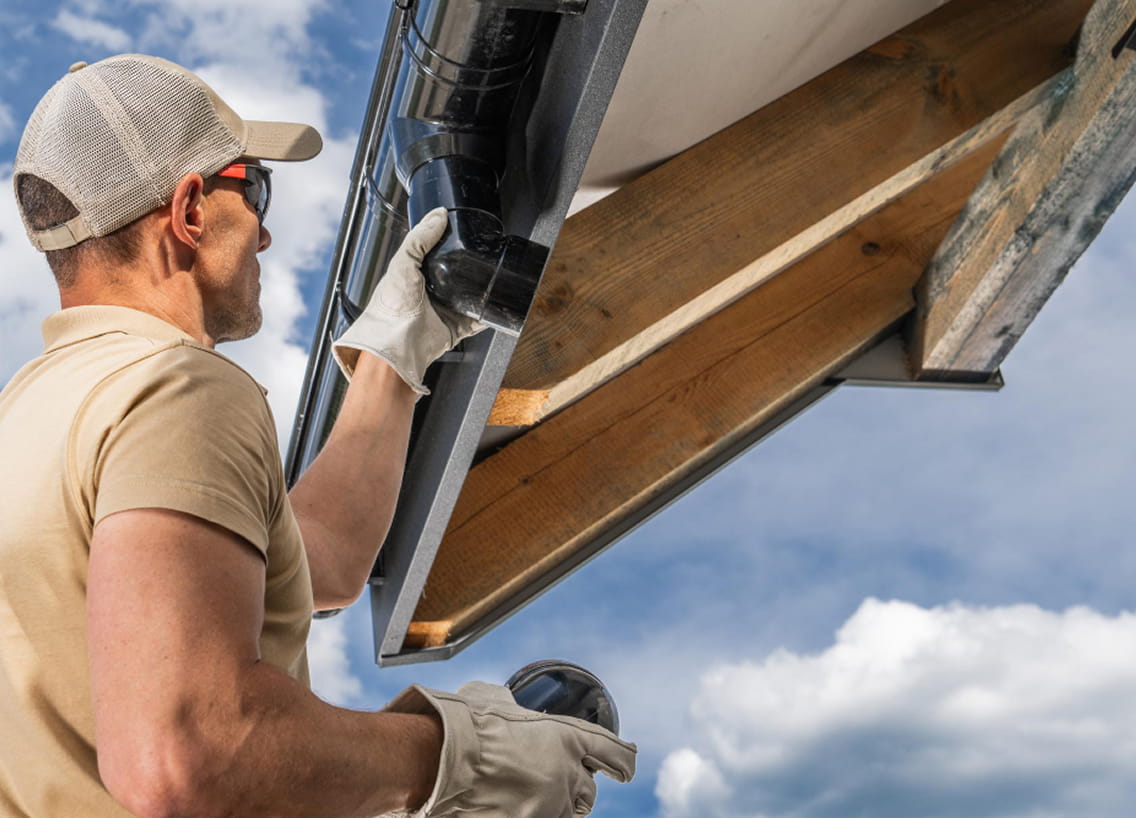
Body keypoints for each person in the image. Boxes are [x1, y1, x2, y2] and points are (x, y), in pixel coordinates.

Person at [0, 54, 635, 818]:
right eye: (255, 190)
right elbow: (187, 754)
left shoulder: (33, 419)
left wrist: (393, 355)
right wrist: (475, 757)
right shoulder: (176, 390)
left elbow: (315, 560)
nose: (265, 236)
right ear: (191, 210)